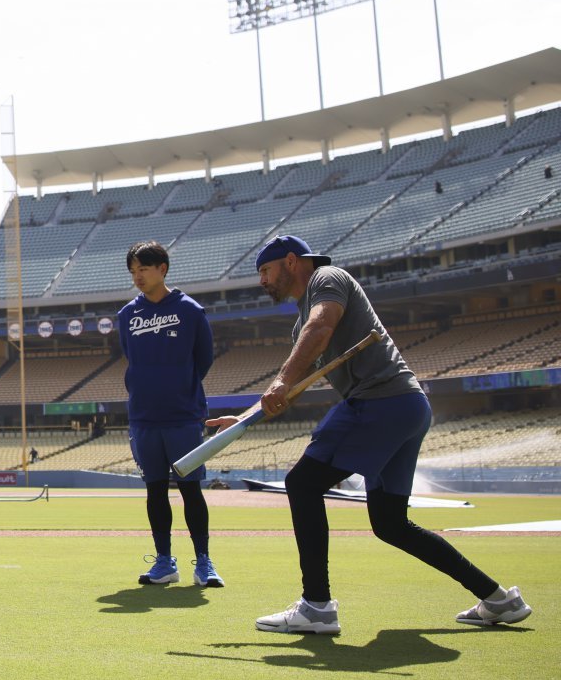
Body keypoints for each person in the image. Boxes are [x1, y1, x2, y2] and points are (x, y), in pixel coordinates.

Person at [235, 234, 533, 635]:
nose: (262, 281)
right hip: (407, 408)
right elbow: (288, 390)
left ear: (291, 262)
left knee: (302, 483)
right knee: (391, 524)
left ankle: (317, 607)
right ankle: (499, 599)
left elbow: (321, 325)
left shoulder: (327, 278)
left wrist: (282, 380)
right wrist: (244, 416)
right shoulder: (299, 325)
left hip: (379, 402)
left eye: (265, 272)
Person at [117, 240, 222, 589]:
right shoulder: (127, 315)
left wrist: (179, 387)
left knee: (191, 490)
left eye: (143, 269)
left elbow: (204, 359)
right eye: (133, 271)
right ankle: (164, 561)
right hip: (144, 417)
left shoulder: (191, 310)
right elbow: (132, 358)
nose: (137, 277)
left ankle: (204, 562)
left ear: (162, 269)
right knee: (155, 490)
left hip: (183, 415)